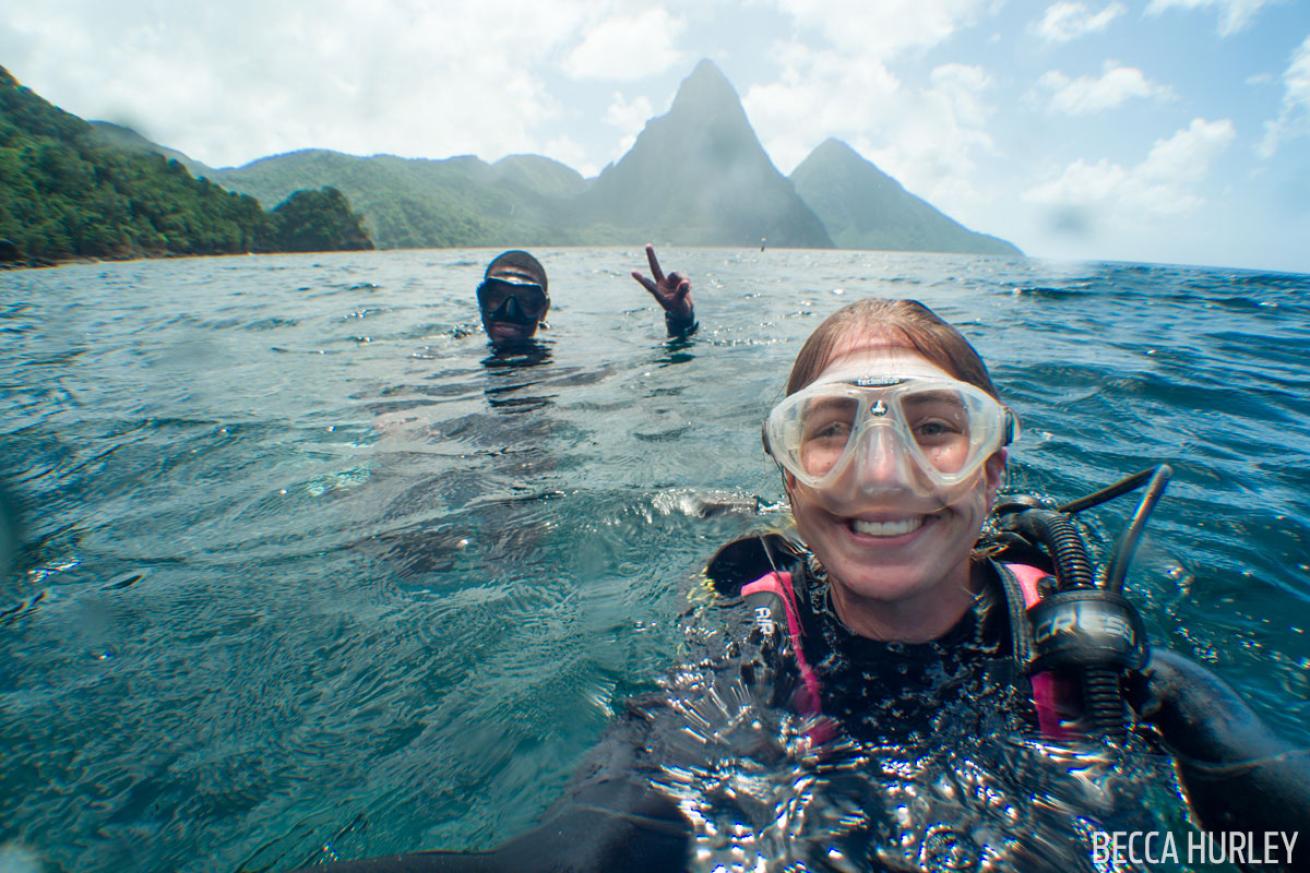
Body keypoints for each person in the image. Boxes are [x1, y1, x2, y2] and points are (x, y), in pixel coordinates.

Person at [307, 299, 1308, 872]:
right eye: (832, 431)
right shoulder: (749, 656)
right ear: (790, 480)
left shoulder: (1099, 666)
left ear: (990, 469)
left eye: (932, 426)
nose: (881, 474)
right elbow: (587, 848)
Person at [476, 246, 696, 347]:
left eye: (526, 301)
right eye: (496, 297)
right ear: (480, 301)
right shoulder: (450, 352)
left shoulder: (565, 362)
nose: (510, 311)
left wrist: (680, 321)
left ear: (543, 310)